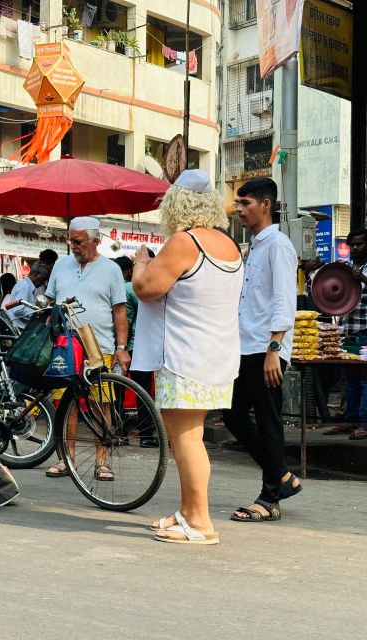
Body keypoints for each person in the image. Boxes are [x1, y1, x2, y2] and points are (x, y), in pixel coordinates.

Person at [132, 169, 242, 545]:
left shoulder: (184, 242)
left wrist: (140, 263)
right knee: (190, 436)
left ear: (176, 203)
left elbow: (147, 288)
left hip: (183, 357)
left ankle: (199, 521)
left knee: (187, 440)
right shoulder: (228, 244)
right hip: (216, 356)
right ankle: (188, 512)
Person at [221, 177, 301, 523]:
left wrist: (274, 348)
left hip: (266, 348)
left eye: (245, 203)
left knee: (269, 422)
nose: (238, 209)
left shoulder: (278, 245)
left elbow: (285, 299)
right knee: (233, 415)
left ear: (265, 204)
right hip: (246, 346)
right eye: (238, 204)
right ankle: (281, 475)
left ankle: (270, 498)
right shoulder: (255, 244)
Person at [44, 216, 129, 481]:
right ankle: (64, 458)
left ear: (96, 241)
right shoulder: (60, 264)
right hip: (64, 346)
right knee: (64, 404)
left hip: (99, 347)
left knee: (100, 403)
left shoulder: (112, 269)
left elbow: (119, 312)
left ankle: (102, 461)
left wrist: (122, 347)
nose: (73, 246)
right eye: (70, 240)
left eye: (78, 241)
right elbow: (49, 303)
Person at [326, 228, 367, 439]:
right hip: (345, 332)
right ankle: (349, 421)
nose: (355, 248)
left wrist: (362, 278)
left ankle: (365, 425)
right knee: (350, 380)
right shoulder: (342, 268)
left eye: (360, 244)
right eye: (352, 244)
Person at [116, 253, 158, 448]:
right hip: (141, 347)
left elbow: (127, 319)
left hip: (129, 347)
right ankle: (146, 435)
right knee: (143, 393)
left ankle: (118, 433)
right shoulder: (150, 286)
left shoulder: (130, 288)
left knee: (119, 390)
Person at [6, 262, 51, 329]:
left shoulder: (26, 286)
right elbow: (18, 310)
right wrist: (37, 312)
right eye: (43, 279)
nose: (43, 283)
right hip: (18, 328)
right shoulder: (25, 286)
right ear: (37, 275)